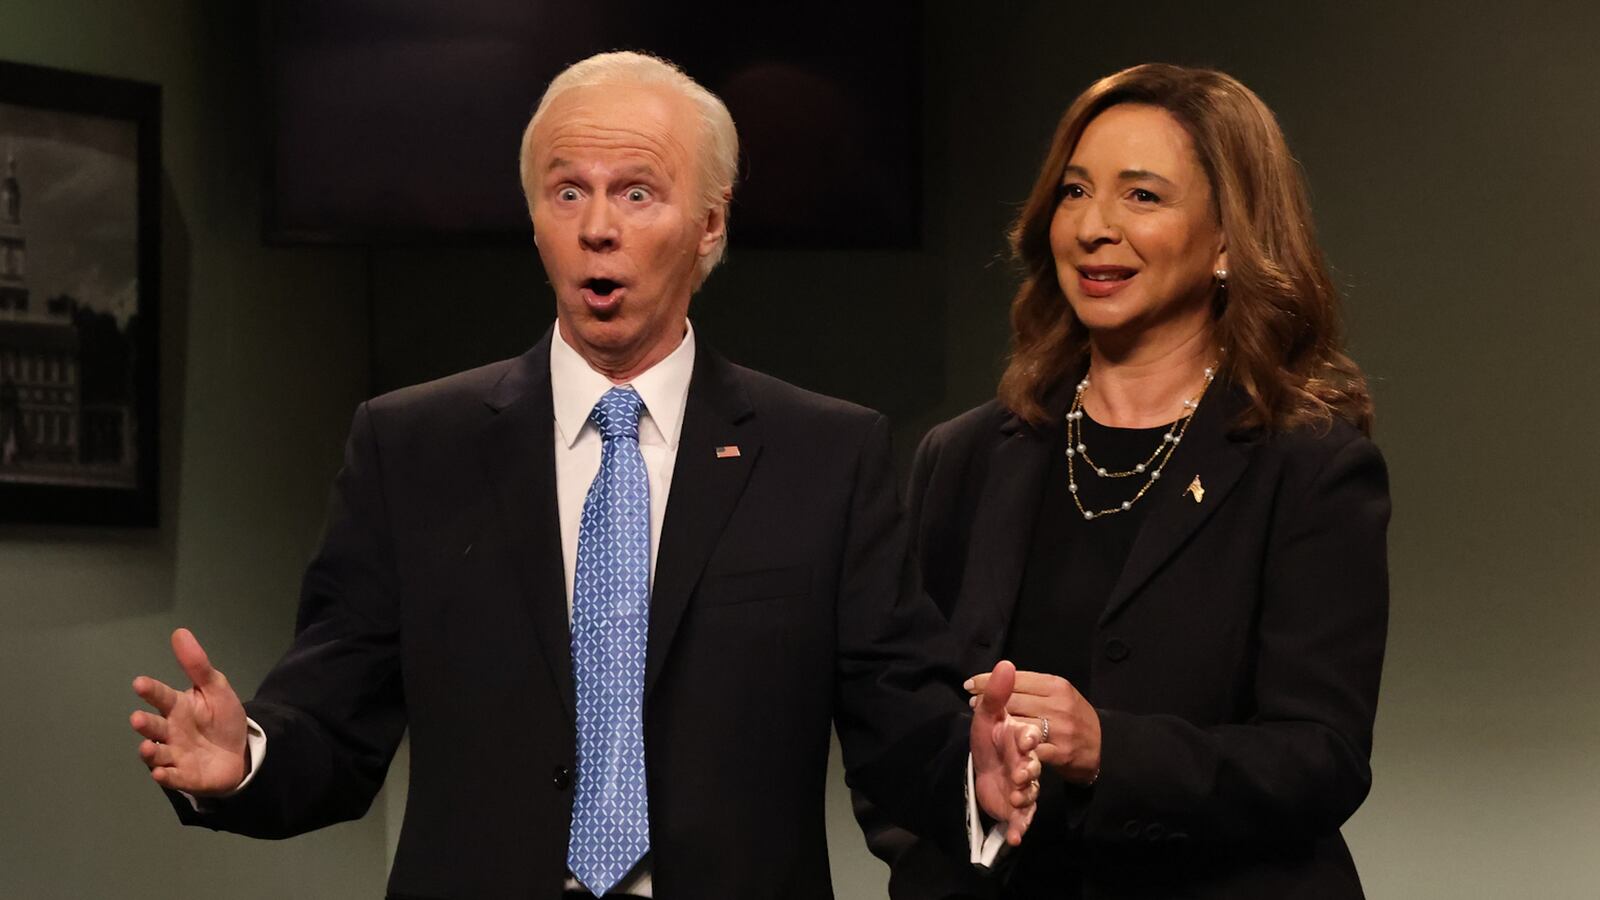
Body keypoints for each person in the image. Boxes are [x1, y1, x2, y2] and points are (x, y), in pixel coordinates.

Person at [128, 51, 1042, 899]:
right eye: (568, 193)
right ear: (535, 221)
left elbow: (900, 726)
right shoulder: (411, 448)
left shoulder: (824, 456)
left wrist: (975, 773)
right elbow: (332, 726)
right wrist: (242, 758)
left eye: (637, 193)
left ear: (711, 223)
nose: (597, 228)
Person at [855, 63, 1390, 898]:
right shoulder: (962, 457)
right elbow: (894, 725)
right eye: (1074, 192)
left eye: (1141, 196)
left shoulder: (1309, 465)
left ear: (1226, 240)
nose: (1094, 228)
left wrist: (1112, 749)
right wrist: (958, 812)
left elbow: (1320, 756)